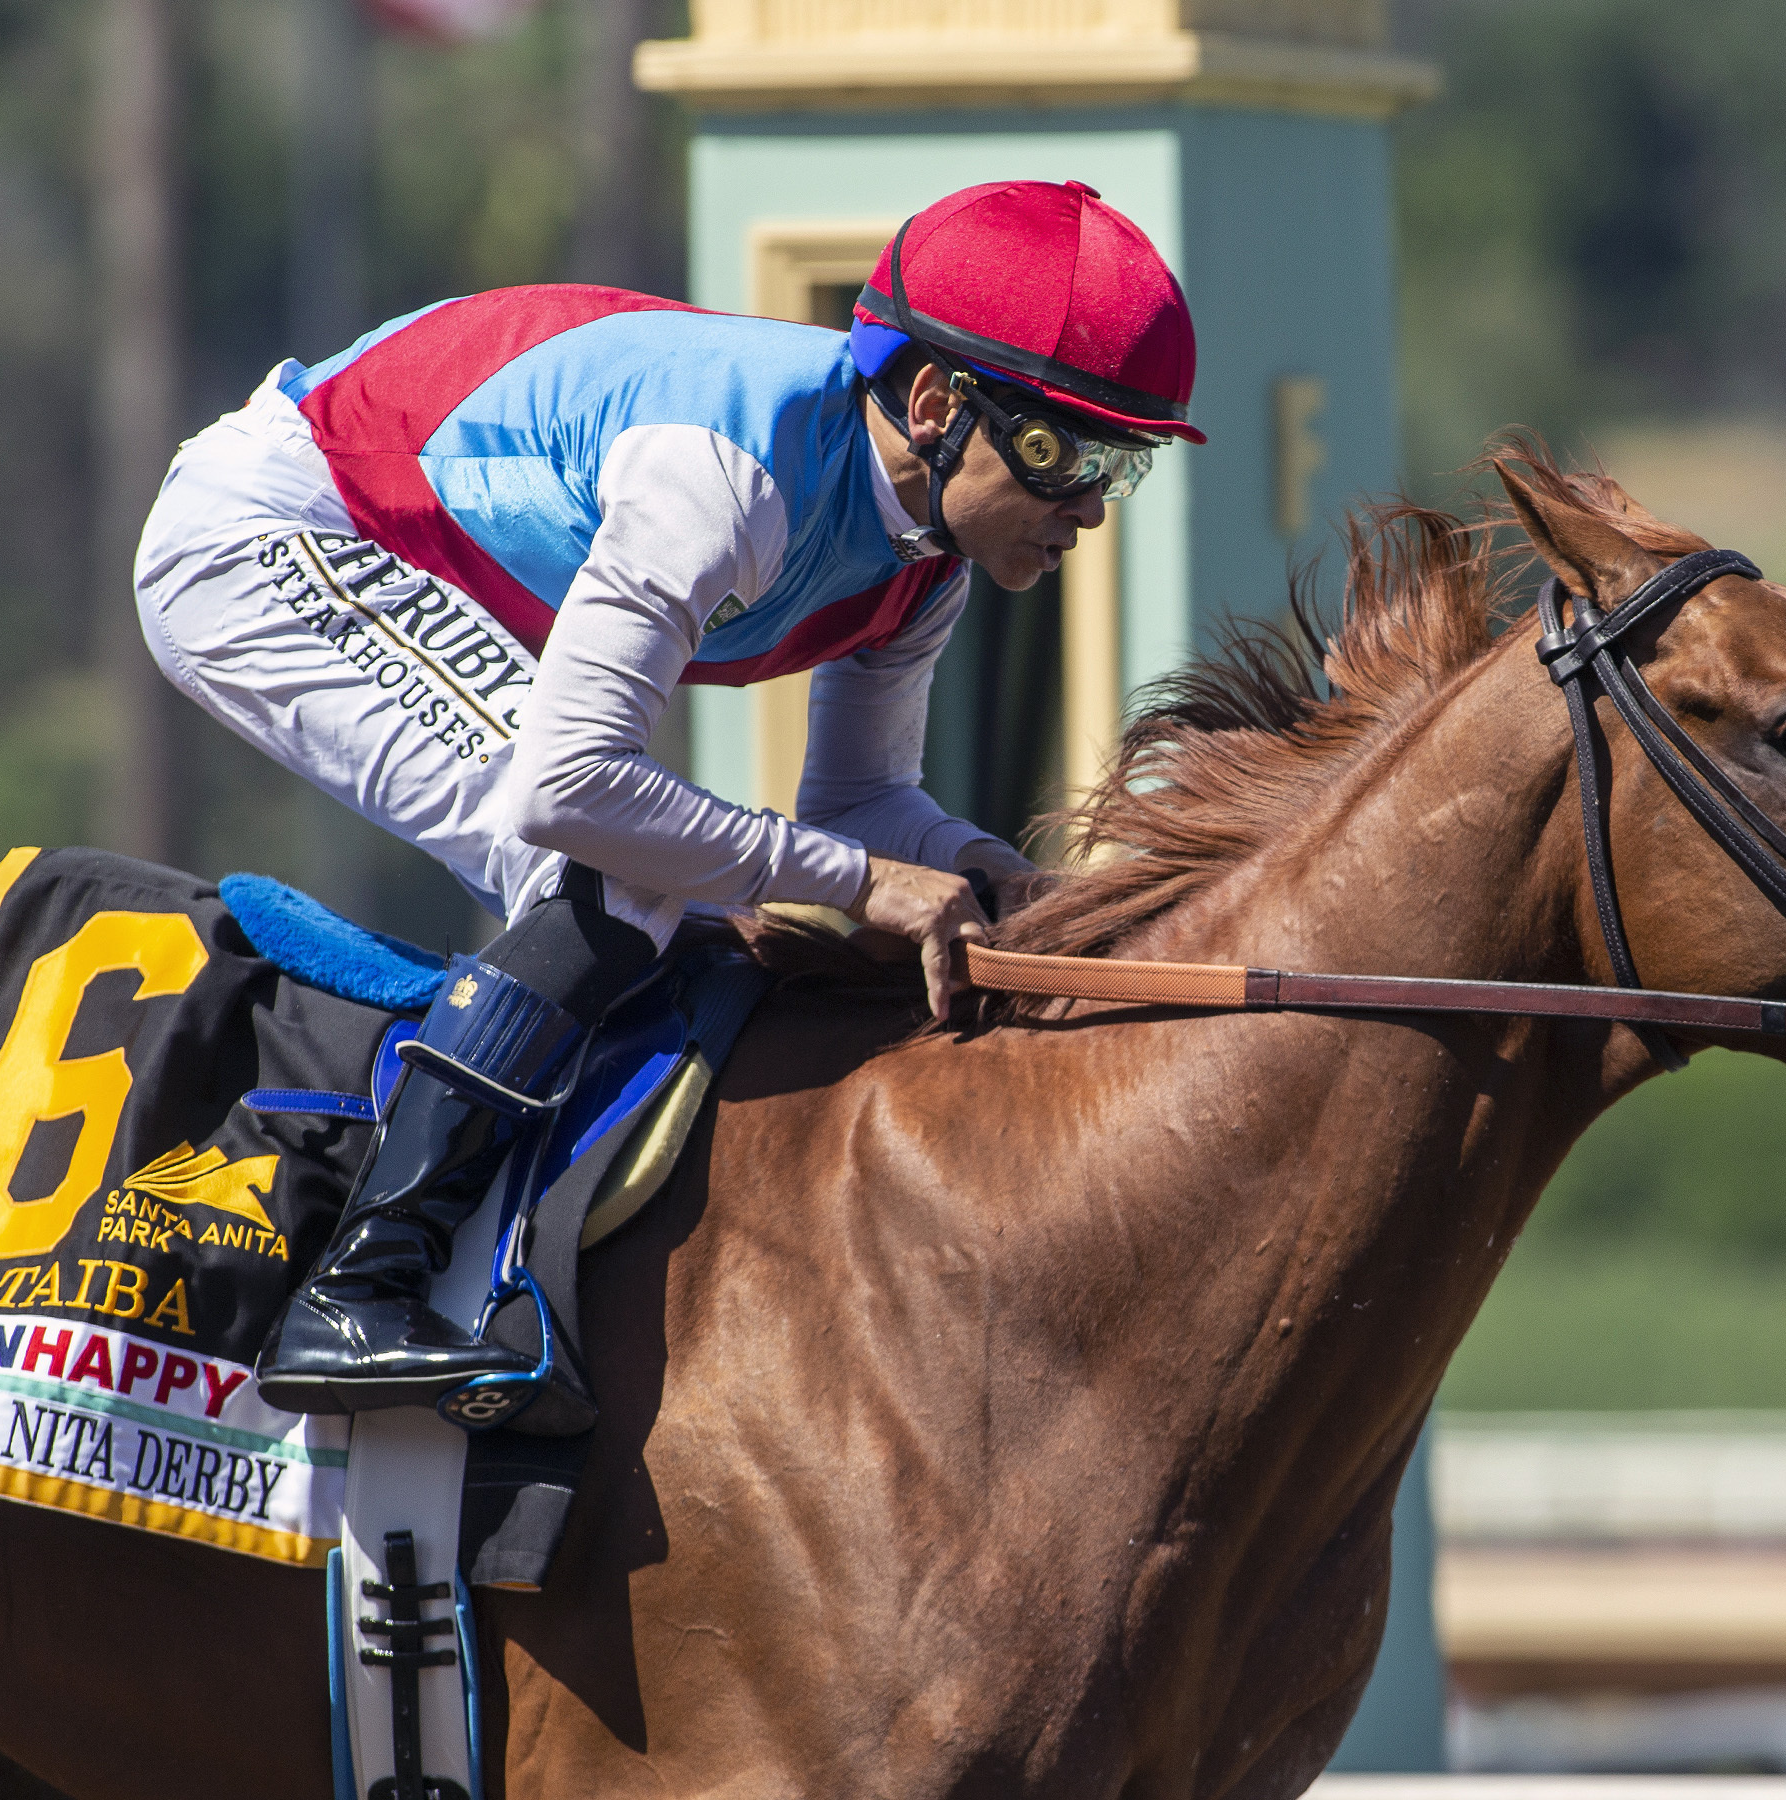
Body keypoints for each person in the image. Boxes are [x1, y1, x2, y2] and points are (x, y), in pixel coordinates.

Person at [133, 178, 1206, 1423]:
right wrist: (865, 886)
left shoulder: (923, 569)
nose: (1084, 509)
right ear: (932, 404)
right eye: (1060, 454)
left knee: (658, 875)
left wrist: (998, 876)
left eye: (1115, 468)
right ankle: (355, 1286)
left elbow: (861, 805)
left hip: (403, 552)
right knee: (622, 864)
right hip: (271, 532)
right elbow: (571, 791)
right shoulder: (727, 473)